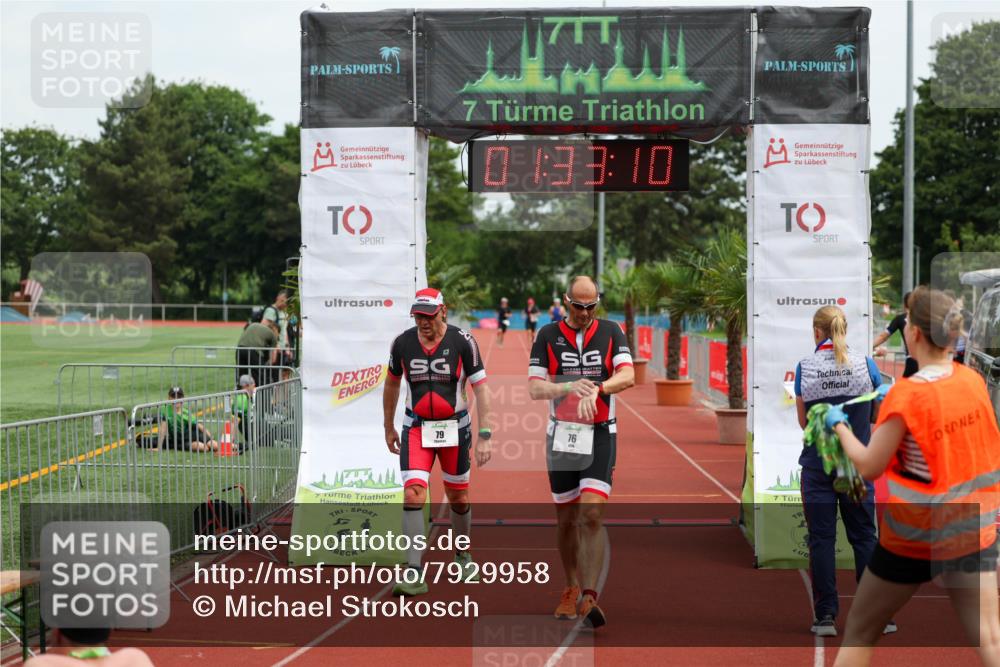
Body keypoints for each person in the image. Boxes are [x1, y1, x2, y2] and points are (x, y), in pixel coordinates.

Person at [825, 287, 1000, 666]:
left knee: (860, 631)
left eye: (905, 322)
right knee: (990, 638)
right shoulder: (972, 381)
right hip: (973, 530)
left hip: (915, 536)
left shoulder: (905, 396)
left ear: (915, 333)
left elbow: (869, 466)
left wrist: (839, 426)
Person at [527, 276, 635, 628]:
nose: (586, 313)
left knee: (591, 513)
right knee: (566, 519)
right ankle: (571, 585)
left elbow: (628, 375)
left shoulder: (612, 331)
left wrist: (598, 389)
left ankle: (589, 595)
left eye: (592, 306)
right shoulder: (547, 335)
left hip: (601, 432)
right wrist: (569, 386)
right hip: (562, 435)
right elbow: (535, 388)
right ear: (566, 301)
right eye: (579, 306)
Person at [383, 287, 494, 596]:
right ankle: (414, 570)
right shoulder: (402, 343)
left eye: (429, 316)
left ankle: (462, 554)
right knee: (413, 493)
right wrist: (388, 426)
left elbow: (482, 388)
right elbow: (391, 384)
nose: (423, 322)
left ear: (443, 311)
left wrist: (485, 434)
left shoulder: (463, 341)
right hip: (416, 428)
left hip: (455, 429)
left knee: (458, 496)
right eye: (418, 316)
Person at [793, 306, 895, 637]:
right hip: (856, 465)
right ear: (844, 329)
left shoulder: (805, 367)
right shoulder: (866, 365)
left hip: (818, 466)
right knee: (864, 537)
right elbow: (876, 415)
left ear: (816, 331)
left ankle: (825, 617)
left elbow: (804, 422)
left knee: (822, 540)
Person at [156, 387, 219, 452]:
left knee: (215, 446)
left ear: (183, 399)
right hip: (182, 441)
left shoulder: (186, 413)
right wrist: (159, 447)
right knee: (204, 448)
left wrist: (210, 438)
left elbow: (200, 426)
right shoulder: (165, 410)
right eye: (173, 397)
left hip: (194, 435)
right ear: (169, 398)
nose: (176, 399)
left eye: (179, 397)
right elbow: (162, 429)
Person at [873, 291, 917, 377]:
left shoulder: (900, 319)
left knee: (905, 384)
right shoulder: (926, 318)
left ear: (904, 305)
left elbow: (883, 337)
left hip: (912, 360)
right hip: (928, 361)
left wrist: (869, 346)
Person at [236, 320, 280, 386]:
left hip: (240, 349)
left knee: (242, 377)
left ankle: (241, 391)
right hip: (253, 352)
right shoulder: (273, 335)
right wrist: (266, 364)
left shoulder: (255, 325)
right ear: (276, 331)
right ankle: (262, 392)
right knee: (260, 378)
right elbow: (273, 359)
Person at [234, 374, 256, 447]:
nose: (254, 387)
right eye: (253, 385)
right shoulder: (241, 399)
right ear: (246, 386)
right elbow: (235, 421)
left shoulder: (247, 397)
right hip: (255, 433)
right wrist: (228, 441)